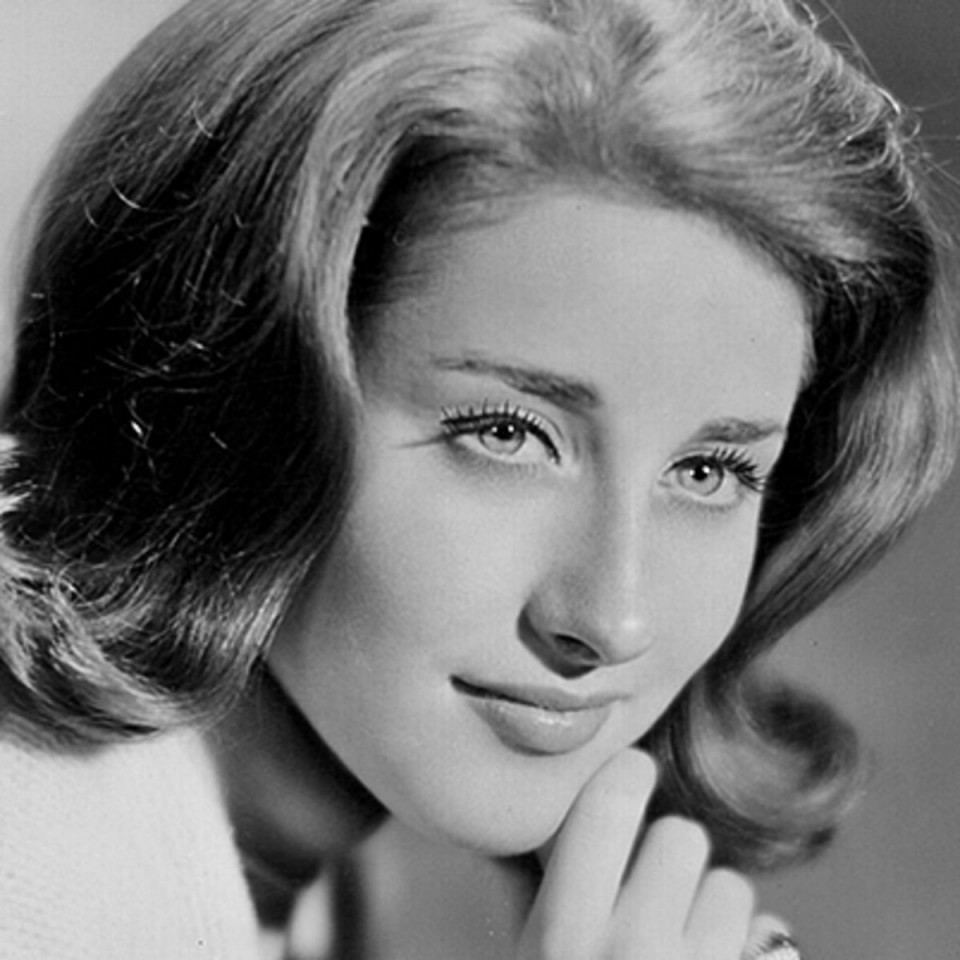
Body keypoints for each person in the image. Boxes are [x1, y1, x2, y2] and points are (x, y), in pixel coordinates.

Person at [0, 0, 955, 957]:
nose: (612, 619)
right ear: (224, 381)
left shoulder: (322, 878)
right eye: (507, 434)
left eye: (709, 471)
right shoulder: (40, 873)